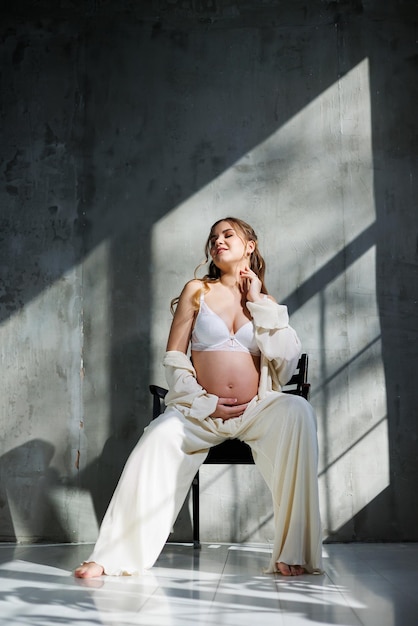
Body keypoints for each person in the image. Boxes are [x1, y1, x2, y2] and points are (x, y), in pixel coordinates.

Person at [75, 217, 323, 578]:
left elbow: (284, 366)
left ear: (249, 246)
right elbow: (175, 357)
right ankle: (111, 556)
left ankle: (293, 553)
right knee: (157, 437)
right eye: (213, 238)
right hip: (200, 410)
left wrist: (257, 301)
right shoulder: (197, 290)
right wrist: (204, 402)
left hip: (255, 410)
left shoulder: (265, 302)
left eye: (227, 235)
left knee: (298, 410)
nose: (218, 241)